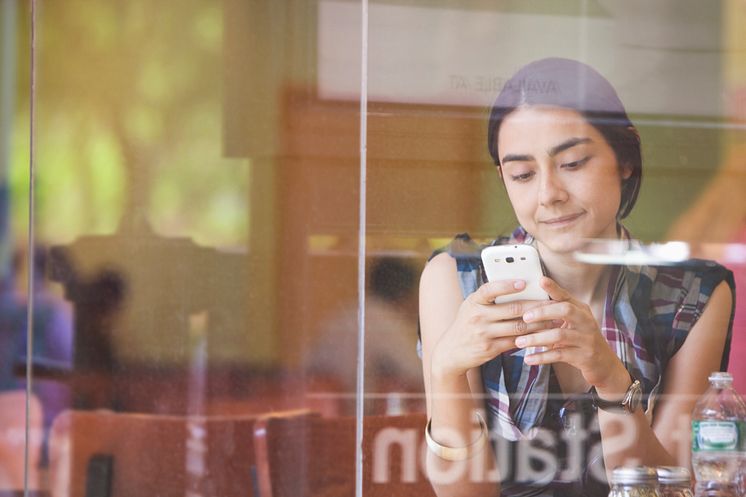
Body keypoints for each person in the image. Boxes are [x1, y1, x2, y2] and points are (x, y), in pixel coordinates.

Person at [418, 58, 735, 497]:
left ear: (624, 159)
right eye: (523, 174)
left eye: (572, 162)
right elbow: (463, 493)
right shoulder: (455, 278)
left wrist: (609, 378)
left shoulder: (692, 295)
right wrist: (447, 372)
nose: (548, 194)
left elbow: (674, 489)